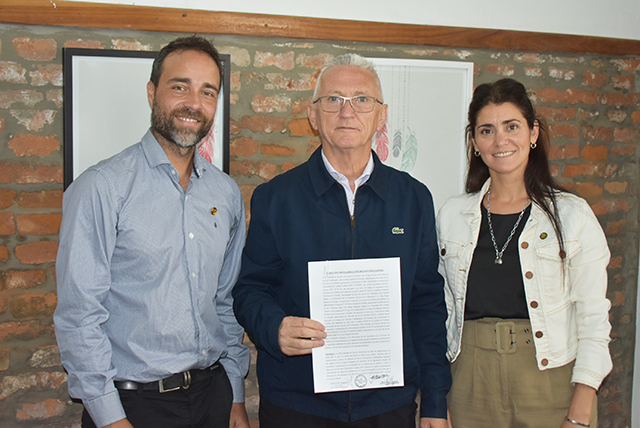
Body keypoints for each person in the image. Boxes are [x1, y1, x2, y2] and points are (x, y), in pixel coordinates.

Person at [232, 53, 450, 428]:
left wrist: (433, 399)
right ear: (312, 115)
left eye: (362, 100)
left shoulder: (413, 199)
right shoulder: (276, 198)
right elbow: (250, 289)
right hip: (296, 406)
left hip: (387, 406)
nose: (347, 112)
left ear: (381, 116)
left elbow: (426, 304)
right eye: (333, 99)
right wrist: (275, 327)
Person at [54, 36, 250, 428]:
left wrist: (235, 397)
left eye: (207, 91)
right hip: (132, 407)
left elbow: (224, 302)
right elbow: (79, 316)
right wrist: (110, 418)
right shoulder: (103, 187)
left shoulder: (225, 193)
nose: (194, 103)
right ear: (151, 92)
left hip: (213, 397)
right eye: (180, 86)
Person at [437, 78, 612, 428]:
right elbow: (436, 310)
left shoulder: (572, 214)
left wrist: (581, 407)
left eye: (512, 126)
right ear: (474, 142)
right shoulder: (452, 215)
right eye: (486, 130)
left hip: (549, 382)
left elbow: (594, 318)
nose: (500, 140)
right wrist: (435, 396)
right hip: (469, 381)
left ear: (533, 133)